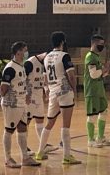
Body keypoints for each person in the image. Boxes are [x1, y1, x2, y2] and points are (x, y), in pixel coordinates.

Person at [33, 32, 82, 165]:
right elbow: (71, 75)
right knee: (66, 125)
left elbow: (45, 78)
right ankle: (66, 156)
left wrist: (48, 91)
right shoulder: (64, 56)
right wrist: (74, 89)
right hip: (64, 90)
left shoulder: (47, 57)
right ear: (62, 42)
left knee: (49, 123)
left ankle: (40, 152)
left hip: (53, 91)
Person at [0, 41, 40, 168]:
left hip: (22, 103)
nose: (26, 53)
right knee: (9, 129)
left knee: (22, 128)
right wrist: (5, 98)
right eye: (25, 50)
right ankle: (8, 158)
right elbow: (2, 89)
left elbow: (21, 83)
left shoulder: (21, 66)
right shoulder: (10, 68)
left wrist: (26, 94)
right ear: (18, 52)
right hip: (12, 104)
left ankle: (25, 157)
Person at [85, 34, 110, 148]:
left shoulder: (97, 57)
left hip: (100, 89)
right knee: (92, 115)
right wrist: (107, 66)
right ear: (94, 44)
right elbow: (94, 74)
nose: (102, 47)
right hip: (92, 91)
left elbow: (102, 74)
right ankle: (90, 139)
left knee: (103, 112)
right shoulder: (90, 57)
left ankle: (100, 137)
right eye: (100, 45)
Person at [24, 51, 55, 156]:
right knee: (26, 122)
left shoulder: (46, 63)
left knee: (40, 121)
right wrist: (26, 93)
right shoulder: (30, 63)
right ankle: (24, 148)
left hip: (38, 96)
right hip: (29, 97)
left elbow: (44, 79)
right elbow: (23, 78)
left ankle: (44, 145)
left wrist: (46, 89)